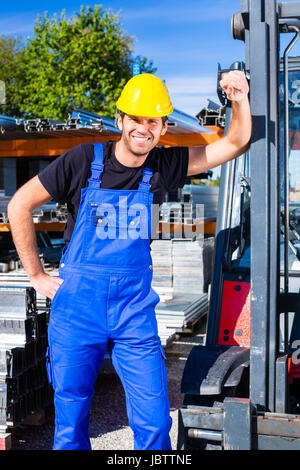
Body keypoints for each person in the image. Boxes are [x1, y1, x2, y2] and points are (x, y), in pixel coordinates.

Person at [8, 71, 251, 450]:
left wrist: (239, 97)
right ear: (120, 120)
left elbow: (235, 143)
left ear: (163, 127)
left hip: (133, 313)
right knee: (70, 422)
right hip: (77, 312)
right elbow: (20, 204)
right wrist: (37, 274)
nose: (143, 128)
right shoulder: (82, 160)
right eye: (136, 118)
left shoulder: (164, 166)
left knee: (155, 422)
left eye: (152, 121)